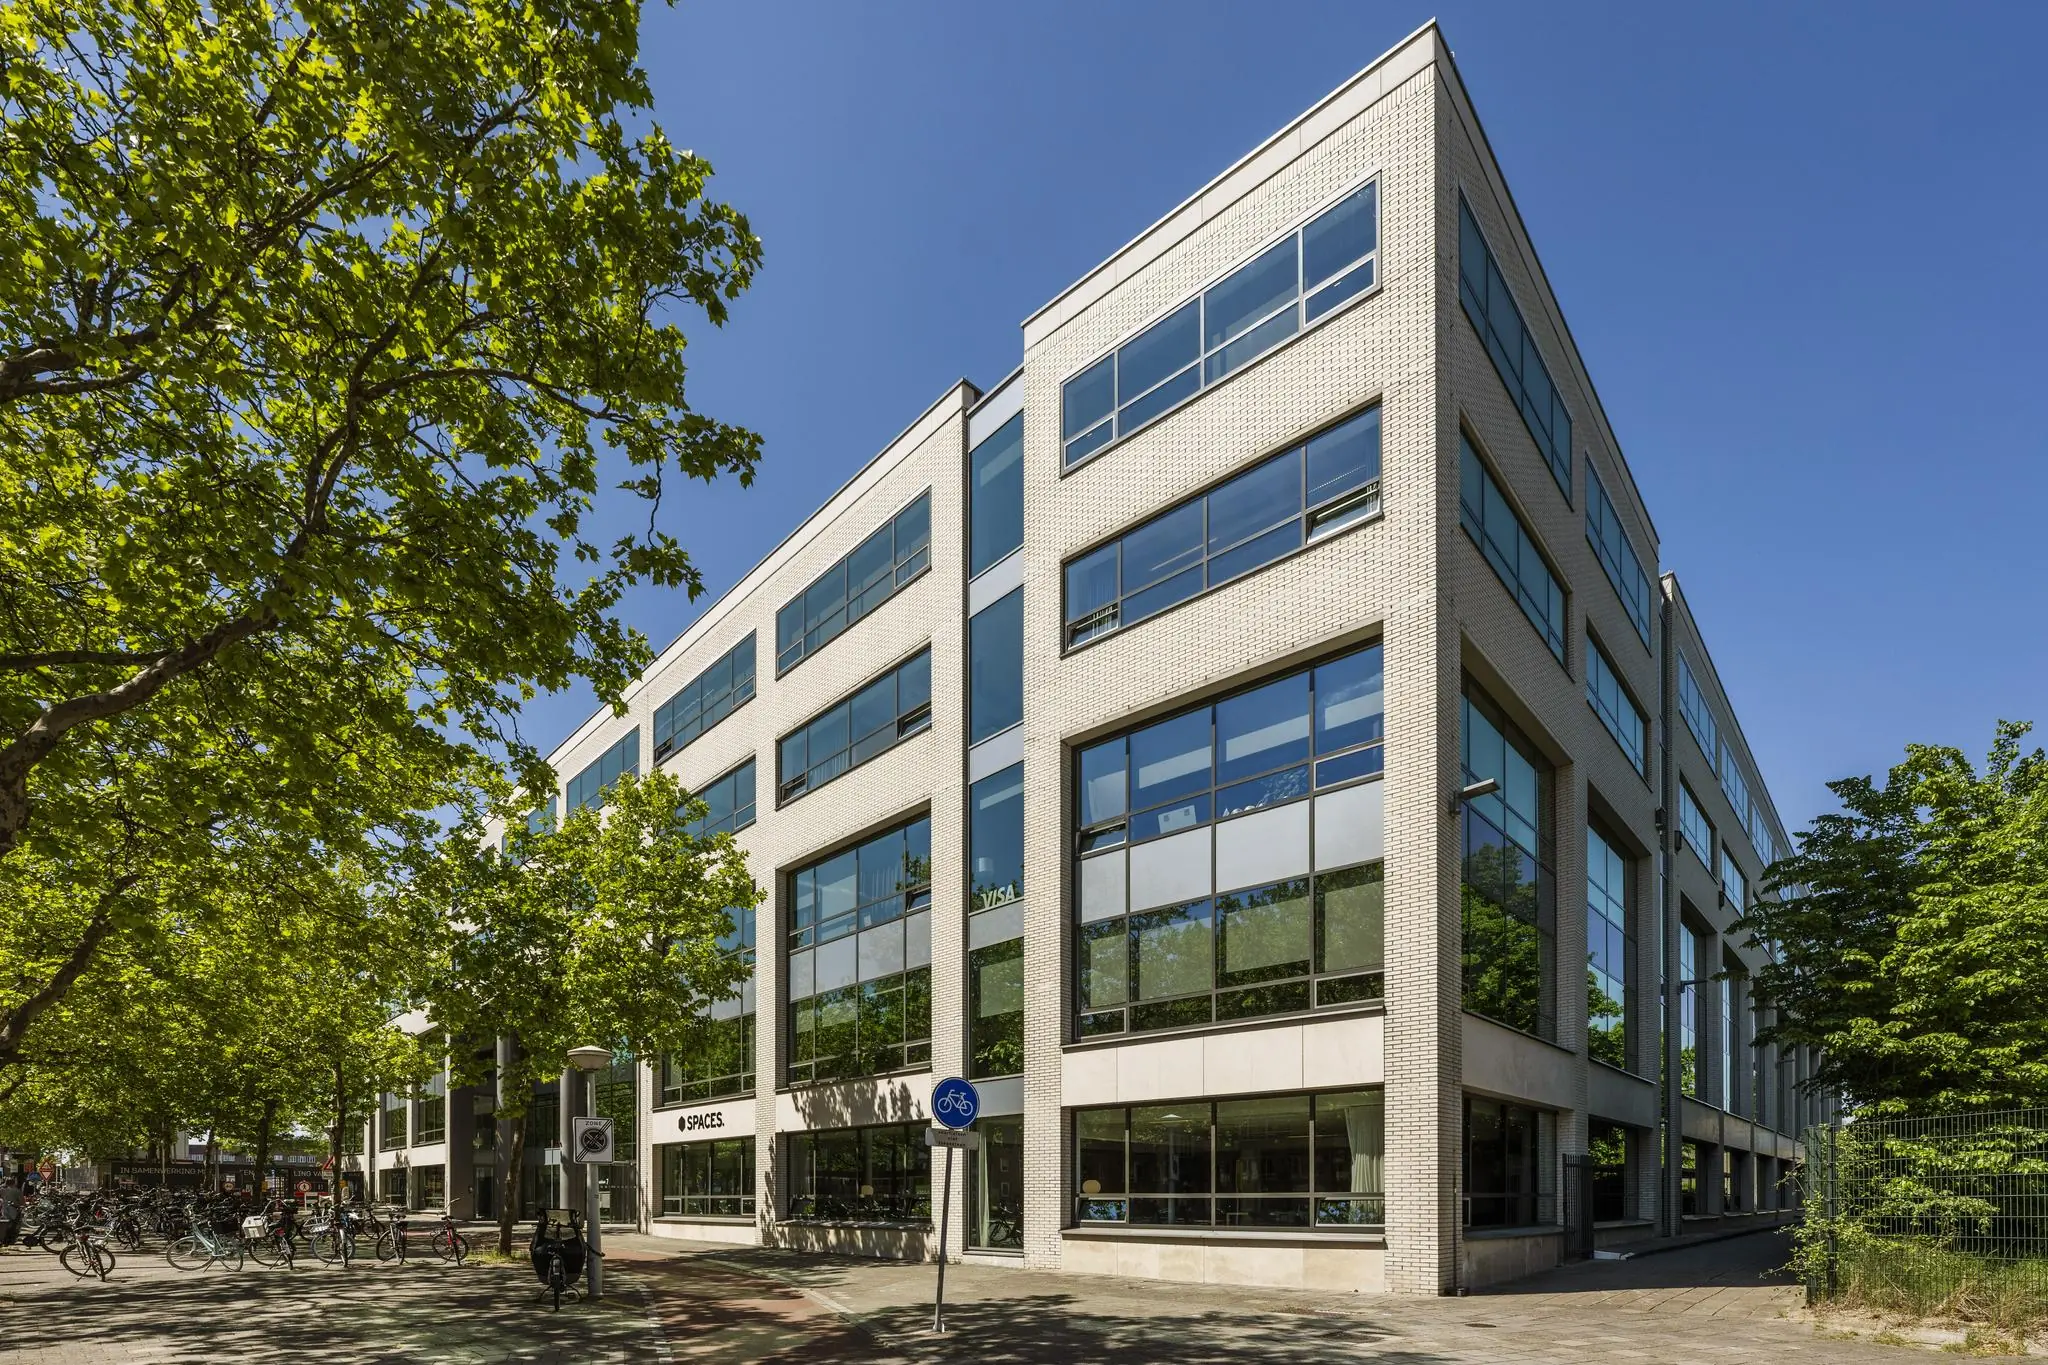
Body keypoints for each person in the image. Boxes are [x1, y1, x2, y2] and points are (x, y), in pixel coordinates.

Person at [0, 1176, 23, 1248]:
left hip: (4, 1209)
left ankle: (5, 1239)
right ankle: (10, 1239)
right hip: (14, 1209)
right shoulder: (17, 1191)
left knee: (5, 1225)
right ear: (14, 1183)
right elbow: (22, 1202)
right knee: (14, 1225)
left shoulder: (2, 1190)